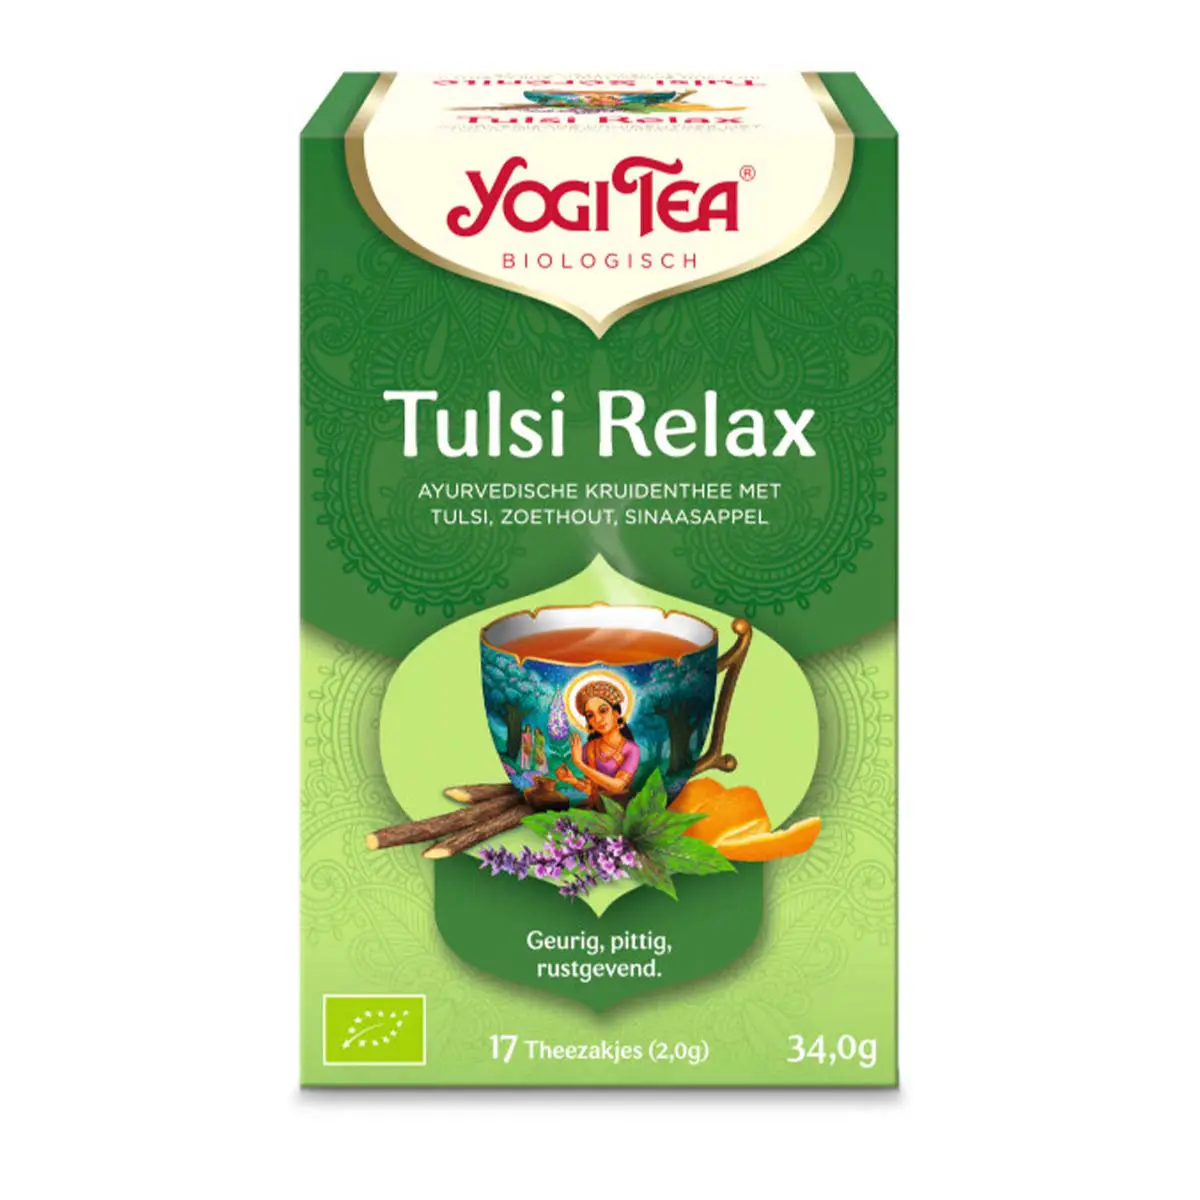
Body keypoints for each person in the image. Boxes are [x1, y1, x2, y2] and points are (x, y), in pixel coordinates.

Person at [555, 681, 641, 806]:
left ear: (616, 713)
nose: (598, 719)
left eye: (603, 711)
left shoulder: (631, 749)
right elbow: (592, 790)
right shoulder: (589, 748)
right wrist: (572, 780)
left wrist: (579, 764)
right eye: (590, 715)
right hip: (597, 805)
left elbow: (617, 786)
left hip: (621, 807)